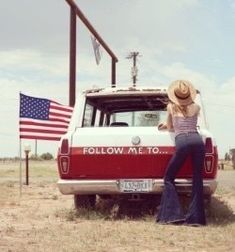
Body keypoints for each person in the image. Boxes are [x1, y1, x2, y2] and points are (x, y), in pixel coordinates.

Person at [157, 80, 206, 226]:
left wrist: (163, 126)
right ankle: (196, 219)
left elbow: (171, 127)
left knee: (169, 178)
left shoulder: (171, 107)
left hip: (182, 142)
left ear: (175, 96)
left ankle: (172, 215)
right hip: (197, 141)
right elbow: (189, 121)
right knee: (197, 178)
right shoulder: (196, 107)